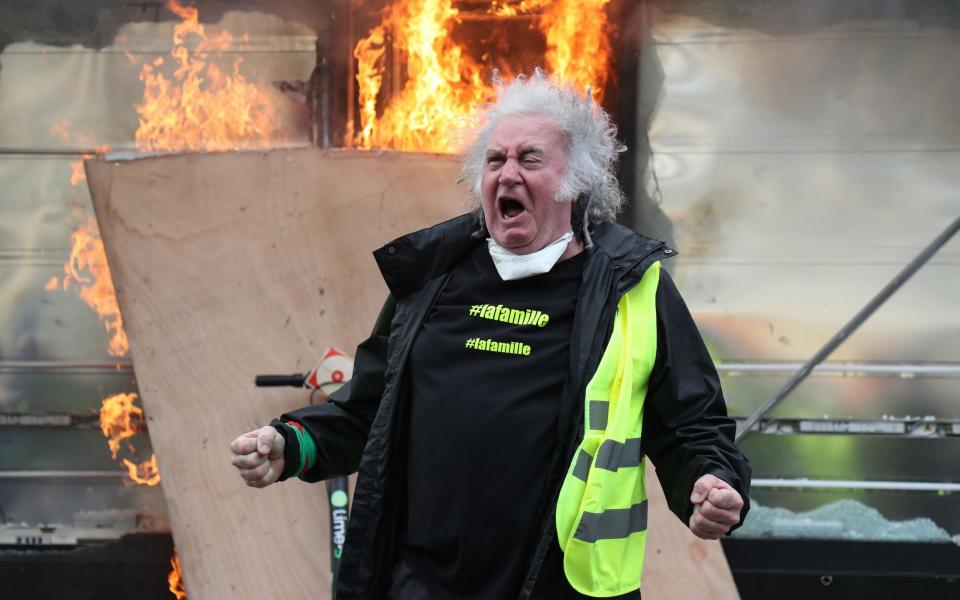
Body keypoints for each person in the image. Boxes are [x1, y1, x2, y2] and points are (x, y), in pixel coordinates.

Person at [230, 70, 750, 600]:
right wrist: (290, 443)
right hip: (422, 586)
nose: (507, 174)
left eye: (529, 159)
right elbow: (369, 410)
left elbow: (691, 424)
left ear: (576, 182)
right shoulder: (434, 277)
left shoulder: (632, 287)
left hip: (559, 588)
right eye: (495, 160)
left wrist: (710, 483)